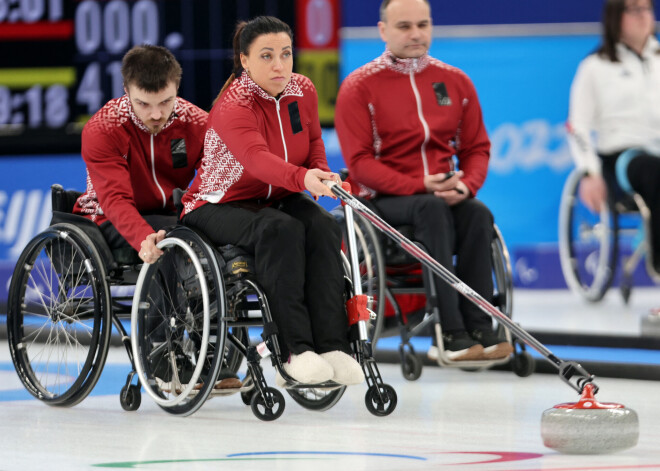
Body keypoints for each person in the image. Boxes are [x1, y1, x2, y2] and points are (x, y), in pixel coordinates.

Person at [181, 16, 364, 386]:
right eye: (266, 56)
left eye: (285, 54)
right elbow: (256, 160)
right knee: (280, 229)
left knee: (324, 226)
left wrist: (321, 172)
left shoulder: (304, 89)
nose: (279, 65)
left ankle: (332, 346)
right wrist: (303, 178)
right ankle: (292, 351)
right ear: (245, 61)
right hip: (216, 204)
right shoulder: (234, 105)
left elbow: (313, 142)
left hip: (276, 196)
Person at [335, 0, 512, 361]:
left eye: (422, 24)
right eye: (404, 26)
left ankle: (480, 326)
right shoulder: (359, 86)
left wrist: (466, 186)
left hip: (441, 195)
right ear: (383, 30)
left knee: (477, 213)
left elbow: (477, 147)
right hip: (381, 201)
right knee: (430, 209)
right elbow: (360, 164)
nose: (415, 33)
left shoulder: (455, 81)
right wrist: (421, 185)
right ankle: (448, 333)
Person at [72, 44, 241, 389]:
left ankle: (215, 353)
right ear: (126, 92)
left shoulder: (197, 123)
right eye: (143, 104)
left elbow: (216, 181)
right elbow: (116, 199)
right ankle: (160, 355)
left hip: (169, 217)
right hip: (106, 219)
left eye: (165, 102)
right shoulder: (103, 128)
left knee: (213, 242)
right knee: (170, 245)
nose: (155, 114)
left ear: (176, 89)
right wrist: (141, 237)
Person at [567, 0, 660, 276]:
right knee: (654, 170)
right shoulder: (595, 66)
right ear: (616, 17)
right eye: (634, 9)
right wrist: (589, 171)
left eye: (647, 8)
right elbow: (578, 125)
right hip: (623, 157)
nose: (644, 16)